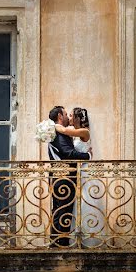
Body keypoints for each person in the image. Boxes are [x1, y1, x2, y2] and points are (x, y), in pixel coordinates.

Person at [47, 106, 90, 247]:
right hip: (63, 178)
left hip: (62, 177)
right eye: (66, 114)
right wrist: (87, 156)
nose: (67, 117)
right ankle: (59, 244)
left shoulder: (60, 131)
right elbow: (68, 153)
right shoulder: (60, 133)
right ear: (60, 116)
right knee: (62, 211)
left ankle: (58, 242)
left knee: (61, 210)